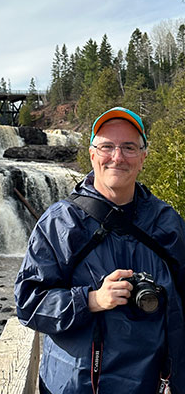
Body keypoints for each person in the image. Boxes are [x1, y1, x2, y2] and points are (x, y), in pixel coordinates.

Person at [14, 107, 185, 394]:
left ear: (143, 157)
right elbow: (29, 303)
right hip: (77, 386)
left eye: (129, 147)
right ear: (93, 154)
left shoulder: (167, 223)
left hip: (154, 383)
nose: (117, 157)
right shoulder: (60, 223)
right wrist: (91, 300)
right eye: (107, 146)